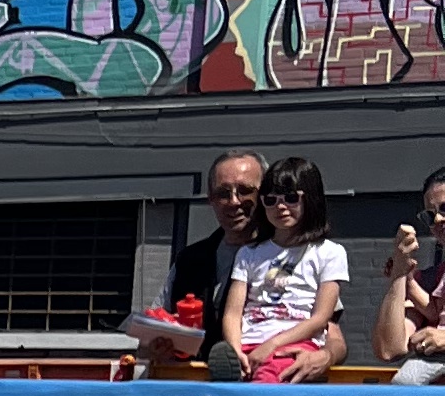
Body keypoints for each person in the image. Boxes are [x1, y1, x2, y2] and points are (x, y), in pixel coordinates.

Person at [216, 156, 346, 380]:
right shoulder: (248, 253)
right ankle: (233, 371)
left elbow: (321, 318)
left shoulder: (329, 252)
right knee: (236, 370)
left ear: (311, 199)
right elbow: (232, 313)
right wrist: (234, 349)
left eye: (291, 198)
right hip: (249, 342)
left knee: (268, 376)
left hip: (296, 345)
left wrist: (272, 344)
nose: (281, 206)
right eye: (270, 200)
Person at [139, 151, 265, 370]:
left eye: (245, 191)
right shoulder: (190, 260)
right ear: (211, 199)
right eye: (223, 193)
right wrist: (154, 346)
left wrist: (324, 354)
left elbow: (326, 332)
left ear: (264, 195)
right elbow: (145, 343)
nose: (234, 201)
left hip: (264, 381)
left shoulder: (290, 255)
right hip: (196, 382)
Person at [373, 165, 445, 374]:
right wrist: (400, 275)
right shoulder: (430, 280)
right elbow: (389, 349)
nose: (438, 220)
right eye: (430, 216)